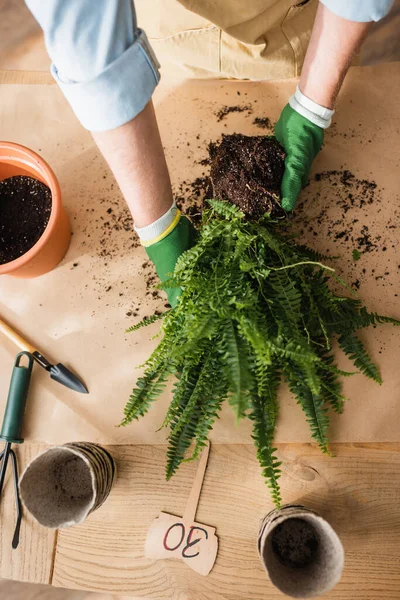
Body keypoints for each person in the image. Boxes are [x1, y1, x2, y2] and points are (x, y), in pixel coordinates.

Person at [26, 0, 394, 306]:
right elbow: (90, 46)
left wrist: (314, 105)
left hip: (298, 31)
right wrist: (158, 229)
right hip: (170, 34)